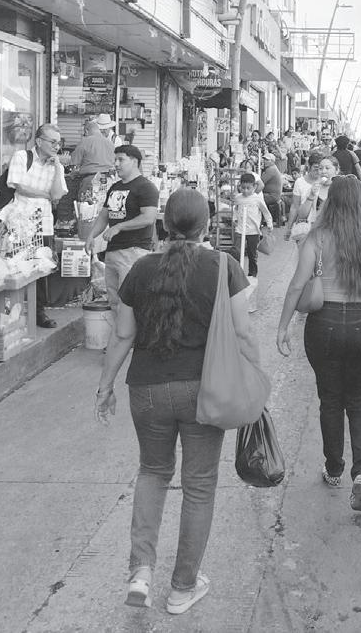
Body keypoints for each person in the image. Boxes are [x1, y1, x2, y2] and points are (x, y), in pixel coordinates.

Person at [95, 188, 253, 614]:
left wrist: (105, 386)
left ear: (164, 225)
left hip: (146, 389)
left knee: (152, 472)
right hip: (205, 390)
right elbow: (242, 333)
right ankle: (183, 587)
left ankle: (141, 573)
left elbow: (122, 335)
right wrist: (254, 384)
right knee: (199, 485)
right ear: (207, 225)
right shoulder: (224, 267)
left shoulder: (142, 269)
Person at [277, 176, 361, 513]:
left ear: (330, 202)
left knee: (330, 399)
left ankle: (335, 468)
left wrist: (283, 327)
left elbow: (297, 285)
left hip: (324, 323)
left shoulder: (318, 237)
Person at [4, 124, 67, 328]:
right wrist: (45, 194)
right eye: (53, 142)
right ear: (39, 141)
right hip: (20, 223)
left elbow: (57, 195)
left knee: (41, 267)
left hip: (44, 223)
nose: (57, 146)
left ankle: (38, 311)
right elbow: (20, 186)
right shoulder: (22, 157)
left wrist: (57, 167)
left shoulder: (57, 167)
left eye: (59, 142)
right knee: (17, 265)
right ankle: (12, 312)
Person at [85, 145, 159, 315]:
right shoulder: (115, 187)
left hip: (134, 250)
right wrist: (91, 236)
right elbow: (104, 216)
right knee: (114, 302)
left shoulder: (146, 187)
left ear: (134, 161)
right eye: (115, 159)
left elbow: (148, 217)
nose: (116, 164)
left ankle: (133, 332)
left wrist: (119, 226)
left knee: (130, 302)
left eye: (121, 159)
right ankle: (118, 331)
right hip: (112, 251)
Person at [233, 172, 273, 280]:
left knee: (252, 254)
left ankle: (252, 274)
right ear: (240, 186)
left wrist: (269, 223)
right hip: (240, 229)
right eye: (243, 188)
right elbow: (235, 209)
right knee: (237, 252)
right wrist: (234, 218)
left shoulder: (257, 199)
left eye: (248, 188)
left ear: (254, 187)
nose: (245, 191)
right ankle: (237, 273)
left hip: (253, 231)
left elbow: (265, 211)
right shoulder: (238, 198)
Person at [285, 155, 325, 242]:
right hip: (303, 225)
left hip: (321, 225)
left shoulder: (325, 182)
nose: (318, 171)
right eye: (316, 168)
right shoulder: (300, 182)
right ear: (309, 167)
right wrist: (289, 228)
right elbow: (295, 207)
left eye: (321, 168)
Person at [259, 153, 285, 226]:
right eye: (264, 159)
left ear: (272, 161)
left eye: (267, 160)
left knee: (256, 199)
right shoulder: (272, 168)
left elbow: (261, 182)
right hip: (272, 194)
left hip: (272, 196)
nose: (265, 161)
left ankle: (261, 220)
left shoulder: (271, 169)